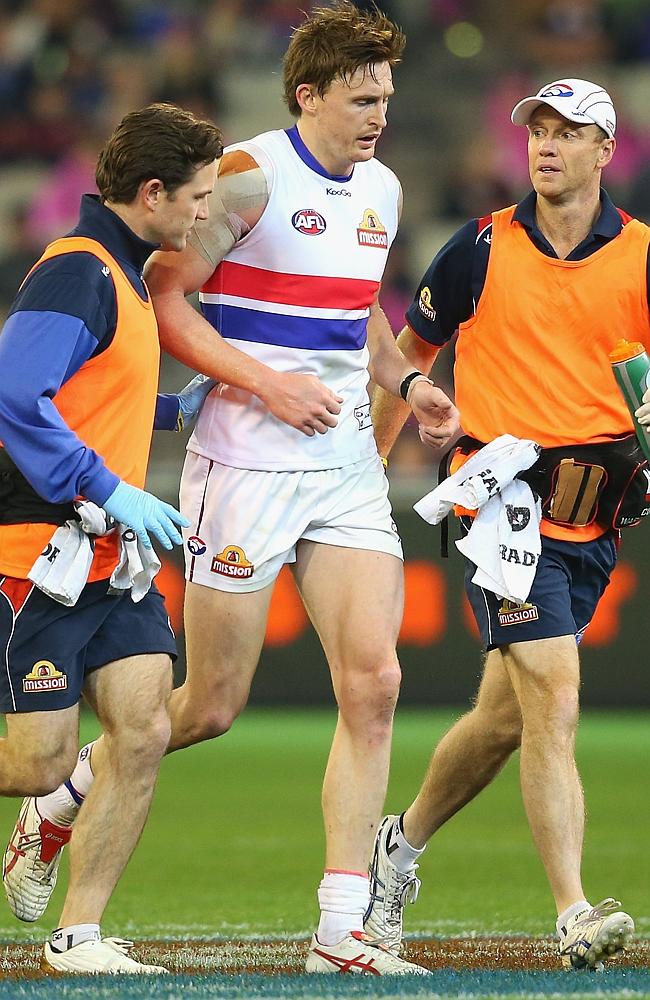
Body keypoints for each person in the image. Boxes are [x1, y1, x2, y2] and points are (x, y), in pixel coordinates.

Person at [10, 2, 459, 976]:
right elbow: (164, 296)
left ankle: (339, 930)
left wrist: (408, 383)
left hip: (340, 462)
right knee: (209, 705)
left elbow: (355, 314)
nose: (380, 113)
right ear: (308, 96)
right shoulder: (247, 181)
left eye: (386, 94)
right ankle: (59, 800)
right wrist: (259, 383)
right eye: (361, 96)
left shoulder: (378, 187)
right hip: (245, 460)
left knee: (374, 683)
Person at [364, 77, 646, 971]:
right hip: (502, 504)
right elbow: (404, 360)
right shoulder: (480, 246)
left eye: (570, 133)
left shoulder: (642, 256)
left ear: (608, 150)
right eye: (539, 130)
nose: (548, 145)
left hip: (592, 518)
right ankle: (572, 910)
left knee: (503, 720)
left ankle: (396, 847)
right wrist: (370, 471)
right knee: (554, 696)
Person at [0, 102, 223, 975]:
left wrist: (172, 411)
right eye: (196, 197)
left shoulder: (123, 273)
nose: (204, 213)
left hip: (111, 559)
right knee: (38, 760)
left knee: (142, 732)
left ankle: (78, 935)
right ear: (153, 192)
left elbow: (90, 388)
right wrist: (110, 488)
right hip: (42, 555)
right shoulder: (81, 271)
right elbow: (16, 395)